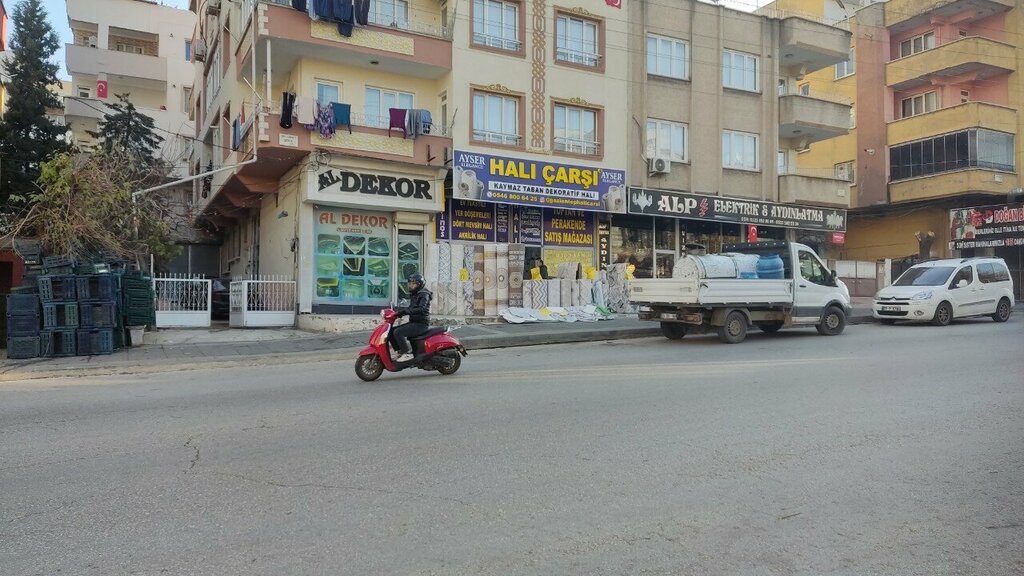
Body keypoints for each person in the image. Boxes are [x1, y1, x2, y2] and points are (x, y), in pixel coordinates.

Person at [392, 273, 432, 363]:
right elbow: (411, 308)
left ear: (419, 284)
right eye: (410, 283)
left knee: (398, 332)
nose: (410, 285)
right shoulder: (415, 294)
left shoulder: (424, 294)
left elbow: (421, 309)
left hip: (421, 324)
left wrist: (406, 311)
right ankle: (400, 351)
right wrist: (399, 312)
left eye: (413, 284)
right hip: (414, 322)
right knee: (391, 331)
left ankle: (406, 353)